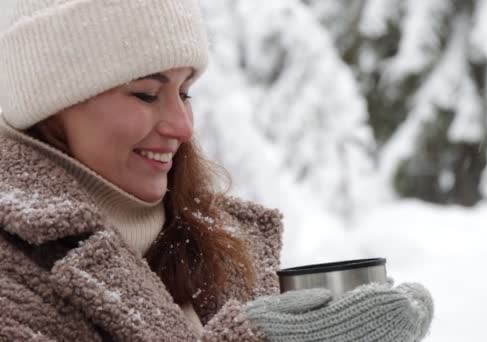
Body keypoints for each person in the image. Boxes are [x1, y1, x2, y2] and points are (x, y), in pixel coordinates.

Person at [0, 1, 434, 341]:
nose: (183, 126)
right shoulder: (13, 270)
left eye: (185, 93)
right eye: (147, 94)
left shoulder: (216, 241)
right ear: (52, 104)